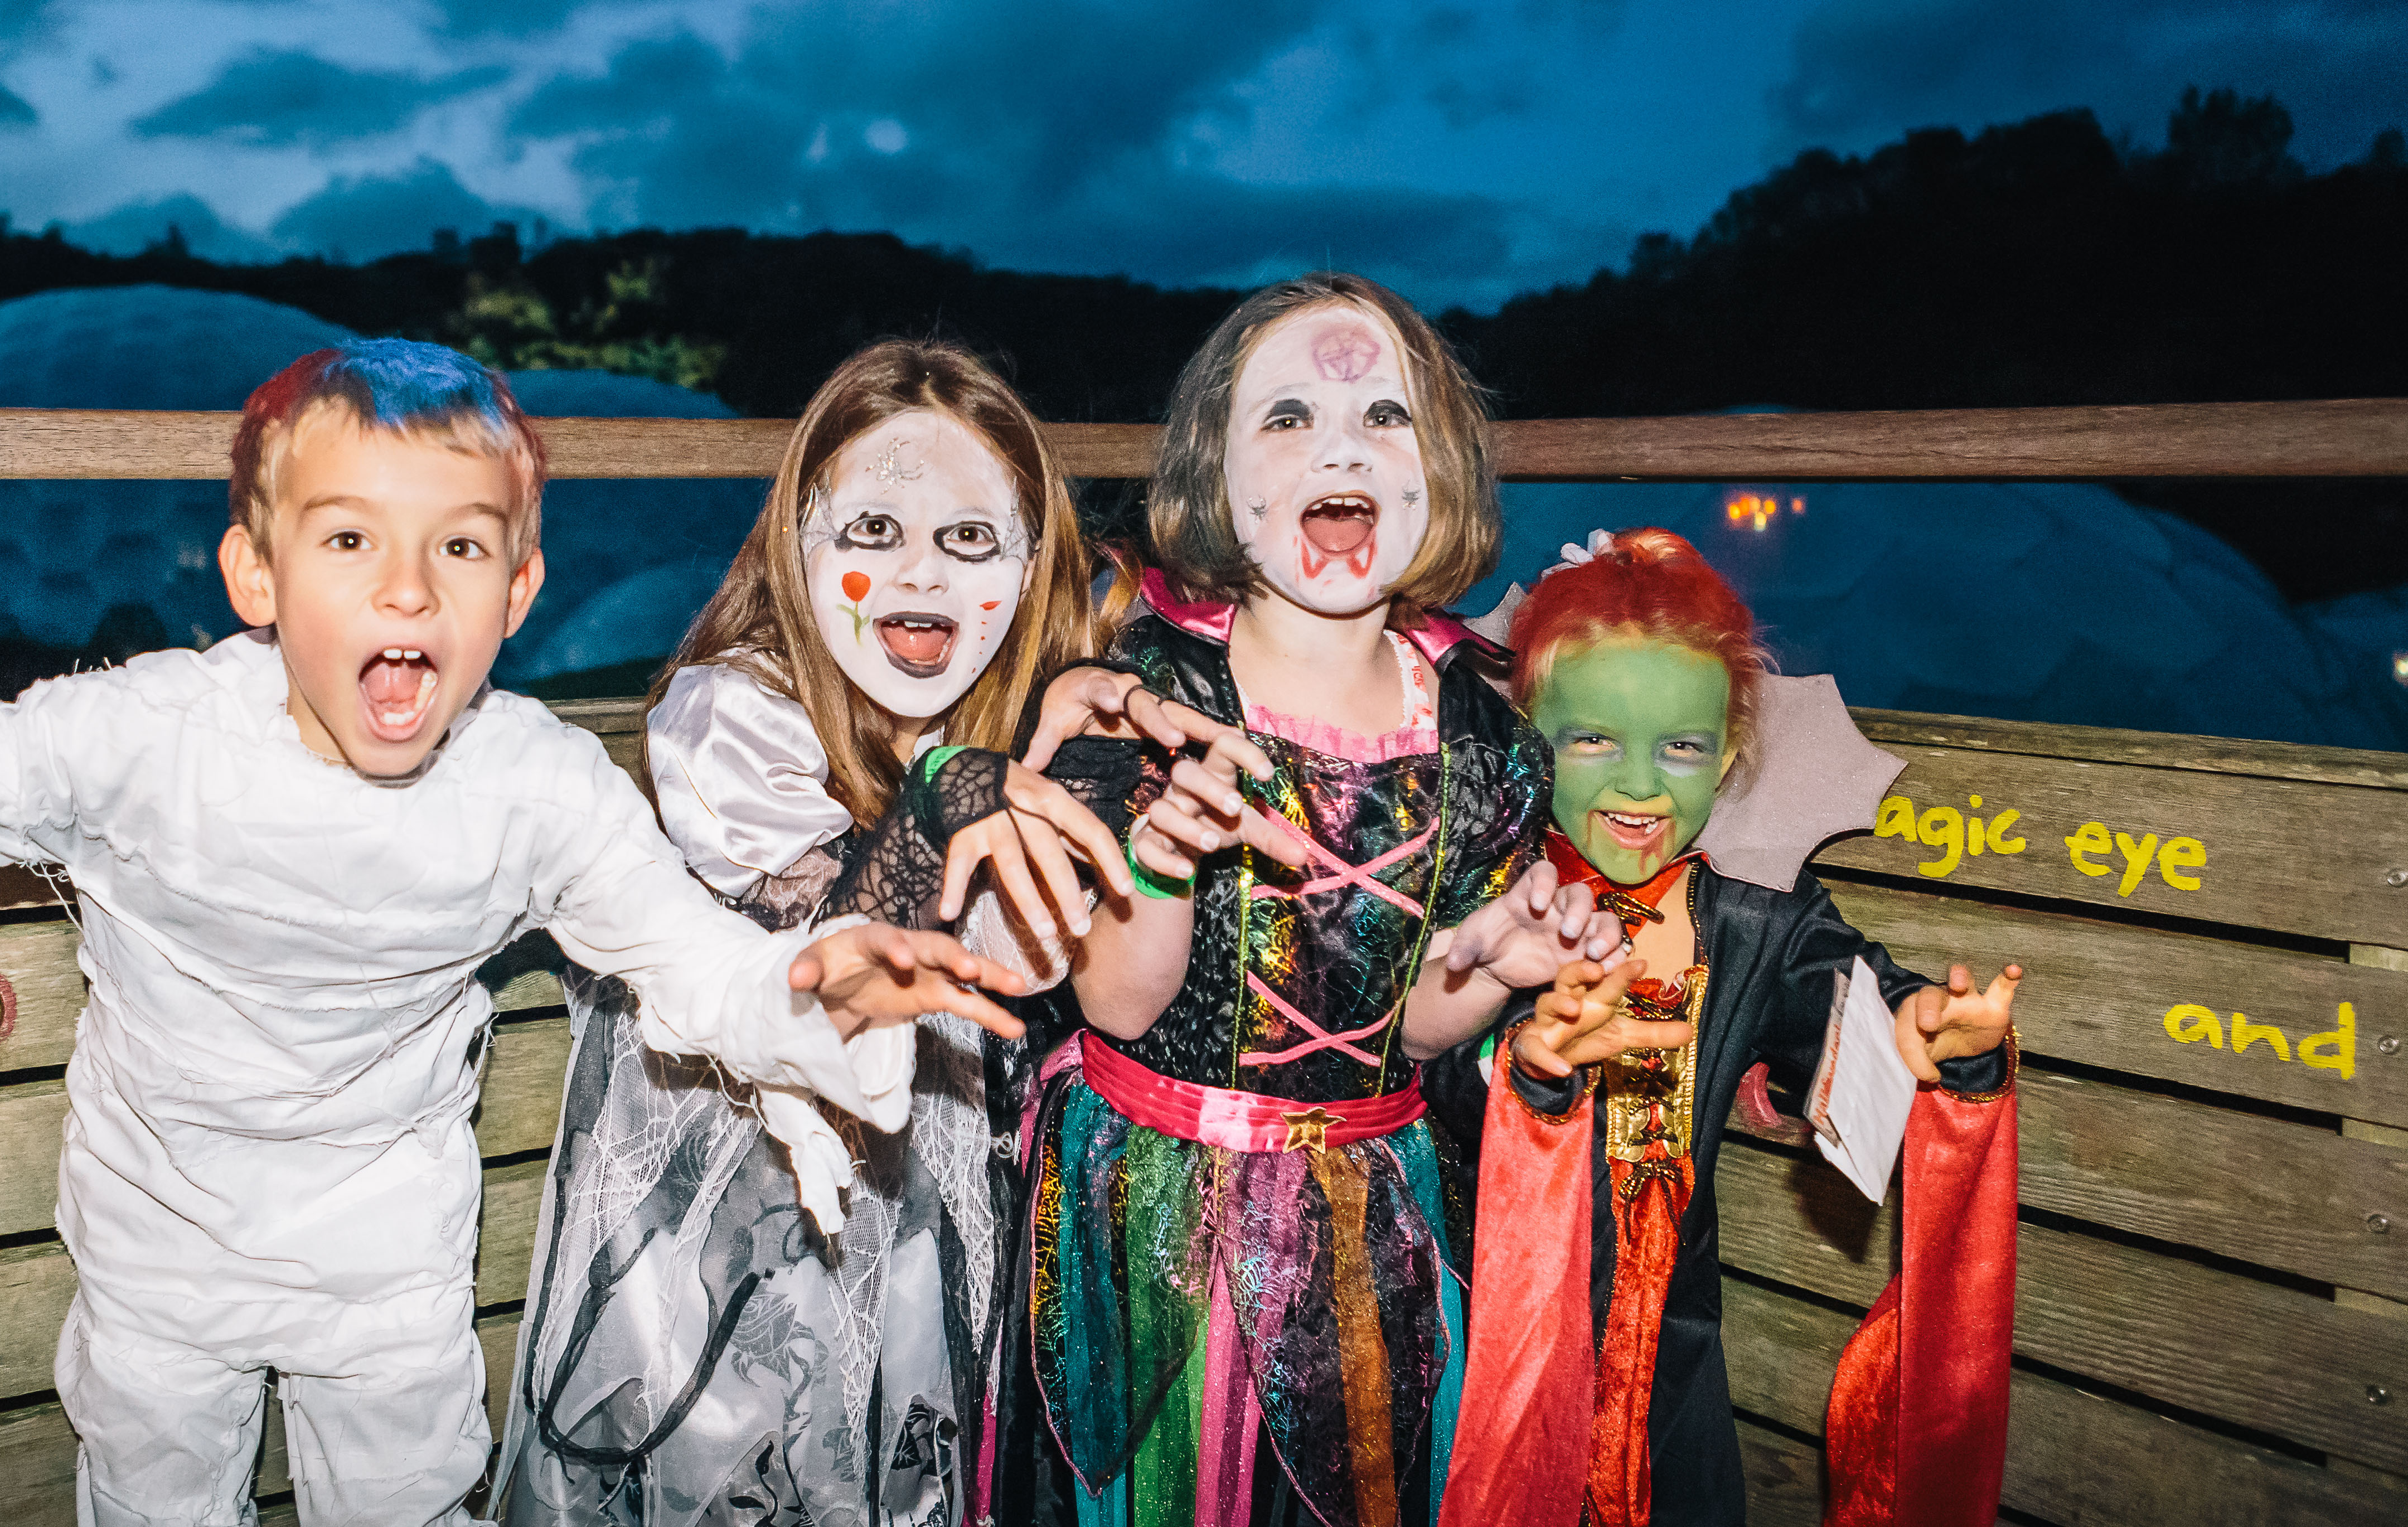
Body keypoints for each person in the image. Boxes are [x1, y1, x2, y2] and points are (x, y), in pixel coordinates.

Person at [0, 340, 1032, 1527]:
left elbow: (696, 966)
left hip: (388, 1282)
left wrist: (815, 990)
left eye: (459, 549)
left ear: (516, 597)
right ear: (253, 571)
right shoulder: (135, 731)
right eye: (350, 540)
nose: (406, 593)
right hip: (156, 1274)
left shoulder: (530, 780)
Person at [886, 272, 1620, 1527]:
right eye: (1285, 417)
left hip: (1367, 1224)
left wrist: (1500, 954)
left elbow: (1415, 1031)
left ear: (1439, 468)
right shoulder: (1148, 695)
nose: (1339, 440)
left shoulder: (1486, 744)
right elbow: (1118, 1004)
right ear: (1213, 479)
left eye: (1384, 416)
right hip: (1150, 1218)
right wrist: (1165, 852)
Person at [499, 338, 1249, 1527]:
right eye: (873, 532)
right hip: (725, 1256)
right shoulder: (732, 714)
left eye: (969, 539)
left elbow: (1042, 960)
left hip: (921, 1250)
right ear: (799, 544)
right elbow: (826, 977)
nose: (924, 573)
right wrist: (953, 798)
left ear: (1027, 560)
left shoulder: (1001, 730)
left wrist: (1083, 762)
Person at [1441, 529, 2023, 1527]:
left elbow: (1859, 1005)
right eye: (1592, 740)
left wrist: (1931, 1033)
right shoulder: (1482, 908)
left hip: (1672, 1362)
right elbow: (1423, 1079)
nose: (1638, 786)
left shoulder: (1757, 925)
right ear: (1525, 743)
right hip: (1478, 1342)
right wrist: (1526, 1068)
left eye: (1681, 746)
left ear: (1727, 757)